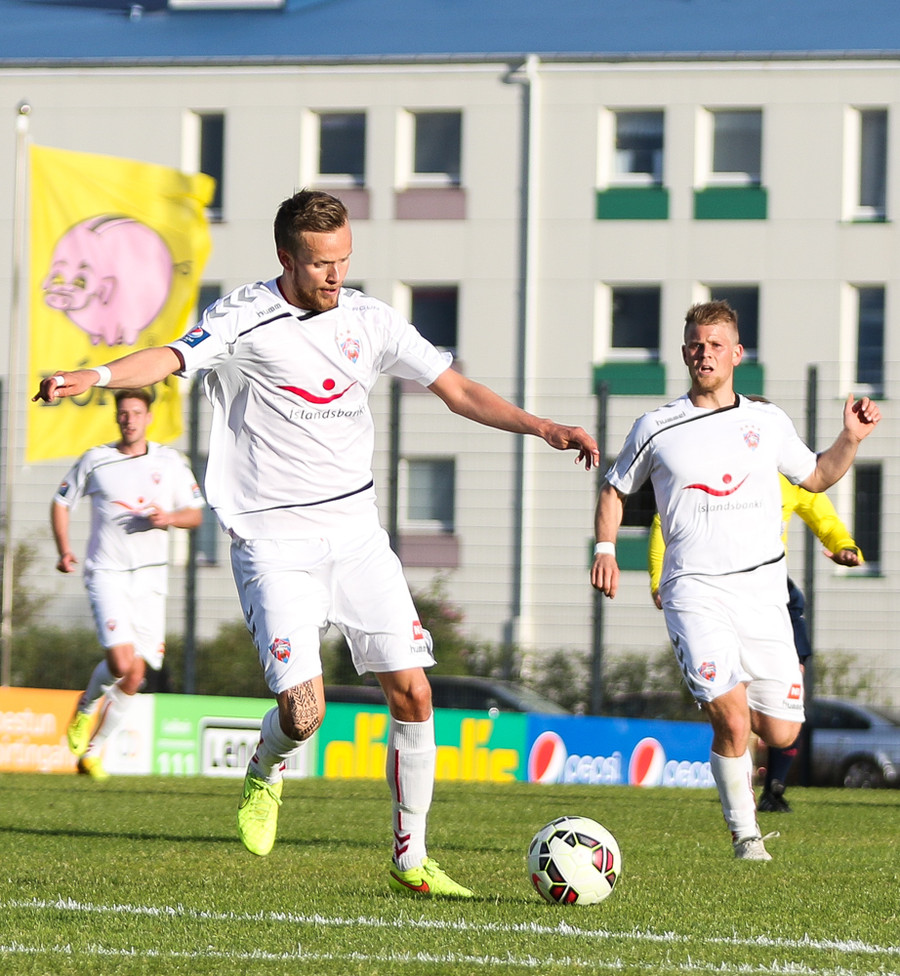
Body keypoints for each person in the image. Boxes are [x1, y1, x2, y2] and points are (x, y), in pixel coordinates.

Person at [35, 189, 599, 898]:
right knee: (304, 716)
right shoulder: (245, 317)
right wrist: (92, 376)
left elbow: (456, 389)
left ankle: (411, 856)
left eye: (344, 259)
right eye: (320, 263)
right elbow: (169, 357)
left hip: (357, 537)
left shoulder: (370, 319)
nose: (336, 275)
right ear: (286, 258)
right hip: (273, 544)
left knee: (414, 692)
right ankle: (265, 767)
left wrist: (543, 426)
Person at [591, 300, 879, 861]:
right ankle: (746, 836)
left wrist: (852, 438)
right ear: (684, 353)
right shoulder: (656, 426)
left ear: (737, 354)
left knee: (782, 732)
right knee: (731, 715)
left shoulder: (767, 422)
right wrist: (606, 549)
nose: (705, 354)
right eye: (696, 345)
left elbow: (818, 476)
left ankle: (748, 742)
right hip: (694, 590)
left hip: (764, 592)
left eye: (716, 345)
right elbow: (614, 489)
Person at [647, 474, 864, 813]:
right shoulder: (715, 468)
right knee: (736, 703)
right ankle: (740, 787)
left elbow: (821, 512)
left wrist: (844, 545)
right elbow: (665, 517)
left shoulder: (788, 470)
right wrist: (659, 578)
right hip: (717, 591)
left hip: (775, 595)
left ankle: (774, 788)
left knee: (791, 691)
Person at [52, 388, 205, 780]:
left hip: (151, 578)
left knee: (136, 676)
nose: (129, 419)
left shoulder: (170, 462)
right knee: (121, 663)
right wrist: (64, 549)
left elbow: (195, 514)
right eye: (123, 413)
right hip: (107, 573)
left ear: (148, 417)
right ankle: (85, 708)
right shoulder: (96, 459)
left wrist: (169, 518)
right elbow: (61, 502)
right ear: (117, 417)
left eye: (136, 412)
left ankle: (91, 754)